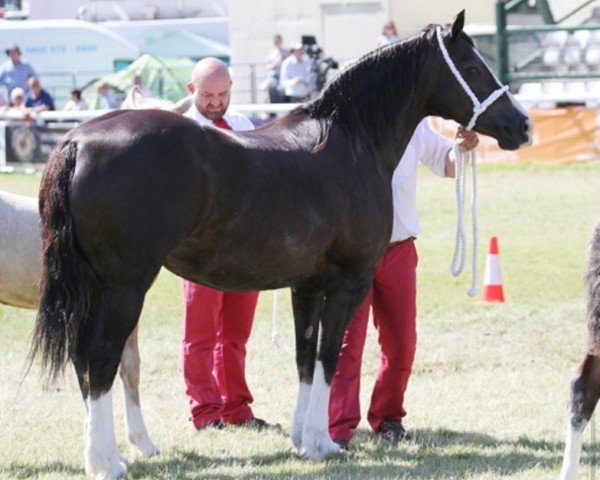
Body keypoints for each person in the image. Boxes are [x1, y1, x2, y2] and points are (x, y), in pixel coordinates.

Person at [328, 120, 479, 450]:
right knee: (346, 346)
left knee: (402, 344)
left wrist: (463, 148)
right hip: (352, 254)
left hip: (399, 250)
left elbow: (447, 164)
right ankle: (337, 428)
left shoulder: (414, 123)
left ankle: (388, 417)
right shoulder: (344, 122)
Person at [181, 57, 275, 432]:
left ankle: (237, 409)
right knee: (200, 336)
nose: (216, 102)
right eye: (208, 95)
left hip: (243, 251)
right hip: (201, 252)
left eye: (223, 94)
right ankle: (205, 413)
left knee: (236, 336)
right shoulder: (181, 132)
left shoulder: (242, 126)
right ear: (191, 91)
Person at [262, 34, 289, 104]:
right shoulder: (271, 53)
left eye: (279, 42)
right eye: (276, 42)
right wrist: (274, 63)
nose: (277, 43)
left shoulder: (286, 52)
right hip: (275, 76)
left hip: (285, 75)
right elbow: (267, 67)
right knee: (271, 83)